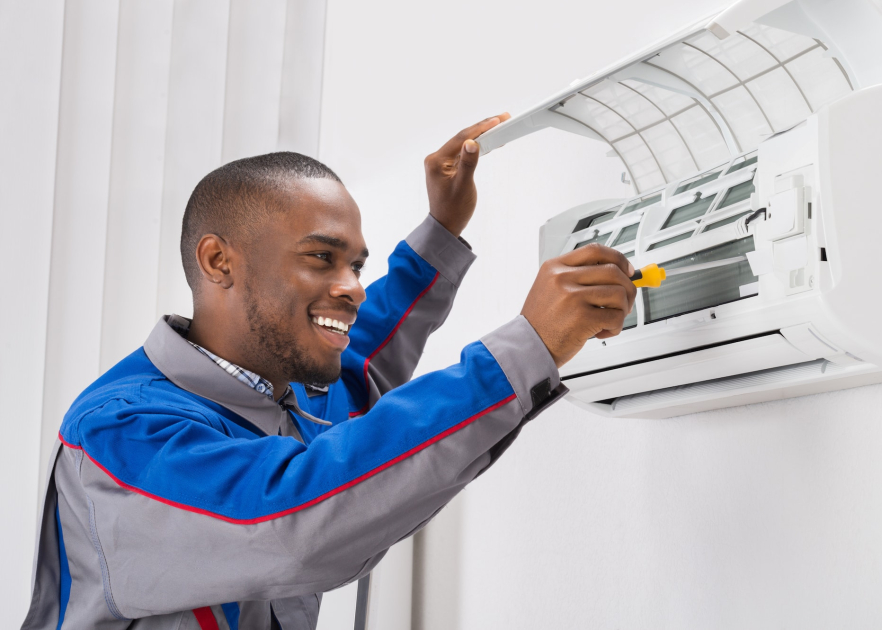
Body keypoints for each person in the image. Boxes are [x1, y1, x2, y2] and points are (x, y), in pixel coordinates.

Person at [21, 116, 636, 630]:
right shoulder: (124, 435)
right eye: (321, 257)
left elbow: (362, 361)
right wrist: (528, 346)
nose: (352, 289)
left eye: (356, 265)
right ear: (218, 260)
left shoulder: (284, 394)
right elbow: (289, 520)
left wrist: (442, 233)